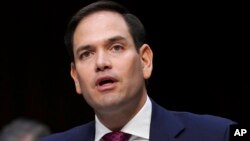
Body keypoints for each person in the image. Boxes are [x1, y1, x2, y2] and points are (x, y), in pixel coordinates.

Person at [41, 1, 236, 141]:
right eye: (86, 54)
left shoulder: (220, 133)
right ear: (75, 77)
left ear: (145, 60)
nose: (101, 63)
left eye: (116, 47)